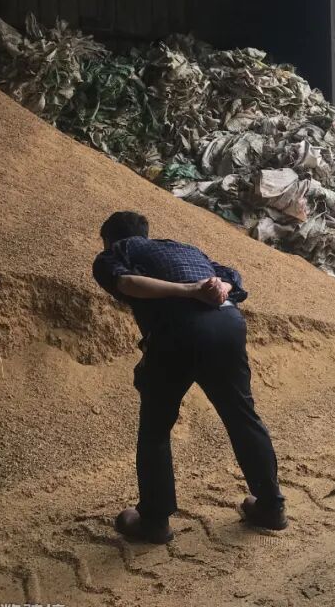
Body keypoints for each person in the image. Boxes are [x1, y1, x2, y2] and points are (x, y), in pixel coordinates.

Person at [92, 211, 287, 544]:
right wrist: (217, 287)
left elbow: (127, 283)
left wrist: (190, 290)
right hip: (228, 325)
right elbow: (232, 277)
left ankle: (154, 520)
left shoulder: (115, 252)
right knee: (242, 417)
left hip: (177, 331)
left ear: (109, 239)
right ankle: (271, 506)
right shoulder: (185, 249)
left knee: (155, 430)